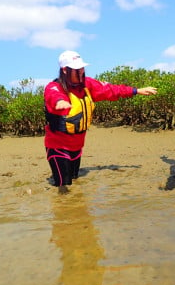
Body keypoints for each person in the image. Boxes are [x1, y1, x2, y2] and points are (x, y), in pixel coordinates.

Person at [44, 50, 157, 194]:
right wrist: (60, 102)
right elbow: (53, 95)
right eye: (77, 69)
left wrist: (136, 90)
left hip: (77, 146)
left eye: (82, 67)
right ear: (65, 70)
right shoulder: (54, 87)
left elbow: (111, 90)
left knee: (74, 181)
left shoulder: (88, 84)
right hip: (58, 146)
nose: (81, 71)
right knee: (63, 187)